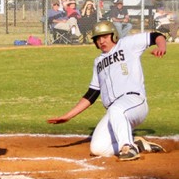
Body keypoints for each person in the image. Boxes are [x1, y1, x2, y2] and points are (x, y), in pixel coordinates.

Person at [47, 21, 166, 161]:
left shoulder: (127, 45)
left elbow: (156, 36)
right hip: (115, 111)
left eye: (105, 36)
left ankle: (128, 147)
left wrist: (161, 47)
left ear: (114, 35)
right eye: (98, 38)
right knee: (98, 148)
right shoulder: (98, 62)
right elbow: (92, 93)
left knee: (116, 109)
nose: (101, 41)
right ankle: (138, 144)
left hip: (134, 102)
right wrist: (68, 116)